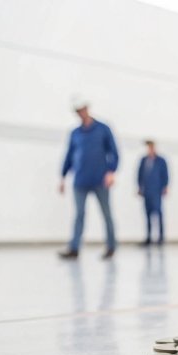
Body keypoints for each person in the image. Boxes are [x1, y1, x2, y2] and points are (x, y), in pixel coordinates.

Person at [59, 97, 119, 259]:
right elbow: (69, 156)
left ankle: (111, 247)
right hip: (80, 181)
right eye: (78, 111)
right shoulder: (75, 133)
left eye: (82, 109)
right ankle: (74, 248)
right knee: (79, 215)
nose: (81, 113)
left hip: (100, 180)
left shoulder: (103, 129)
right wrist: (63, 177)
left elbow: (114, 152)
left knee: (106, 214)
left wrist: (111, 171)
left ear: (87, 108)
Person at [137, 140, 169, 245]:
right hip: (146, 191)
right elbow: (140, 174)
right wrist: (139, 187)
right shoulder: (143, 160)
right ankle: (148, 238)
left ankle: (161, 238)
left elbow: (165, 174)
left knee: (158, 214)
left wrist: (165, 186)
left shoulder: (161, 161)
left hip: (157, 191)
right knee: (147, 214)